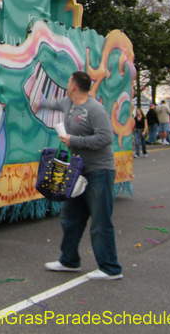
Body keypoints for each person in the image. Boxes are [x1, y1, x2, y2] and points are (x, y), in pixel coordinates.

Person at [37, 71, 122, 280]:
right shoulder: (68, 103)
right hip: (78, 172)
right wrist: (33, 99)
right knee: (70, 217)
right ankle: (69, 260)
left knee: (100, 220)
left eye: (68, 81)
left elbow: (105, 138)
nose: (67, 84)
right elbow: (50, 103)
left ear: (74, 85)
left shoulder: (94, 109)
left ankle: (110, 268)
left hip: (99, 171)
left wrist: (73, 141)